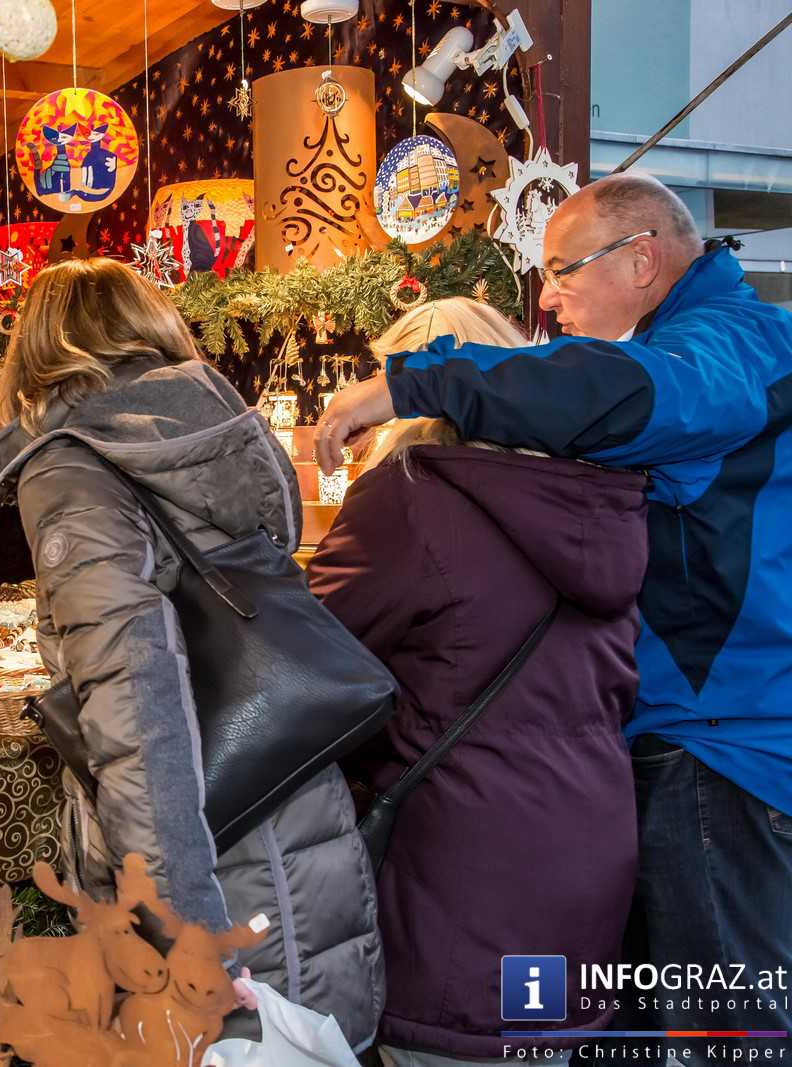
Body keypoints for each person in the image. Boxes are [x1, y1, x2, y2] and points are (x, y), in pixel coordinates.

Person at [314, 173, 792, 1040]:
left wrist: (413, 386)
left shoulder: (725, 347)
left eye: (564, 269)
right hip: (693, 752)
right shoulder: (718, 337)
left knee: (729, 1040)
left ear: (641, 259)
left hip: (721, 756)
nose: (546, 294)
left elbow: (616, 390)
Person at [0, 257, 384, 1046]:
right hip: (297, 823)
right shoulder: (213, 429)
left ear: (38, 351)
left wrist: (182, 930)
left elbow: (139, 717)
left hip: (213, 875)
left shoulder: (70, 467)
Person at [307, 298, 649, 1066]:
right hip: (588, 859)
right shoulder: (595, 495)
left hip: (464, 878)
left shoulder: (409, 495)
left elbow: (309, 654)